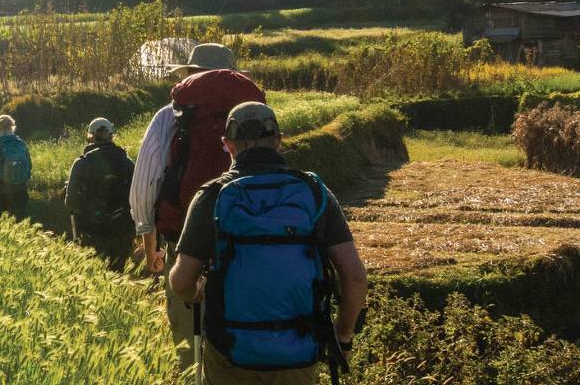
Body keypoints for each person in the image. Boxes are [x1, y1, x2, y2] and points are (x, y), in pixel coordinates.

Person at [168, 102, 367, 384]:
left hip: (229, 353)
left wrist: (196, 292)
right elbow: (356, 277)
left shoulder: (211, 197)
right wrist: (343, 335)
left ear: (228, 144)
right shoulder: (313, 193)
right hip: (297, 351)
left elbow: (180, 281)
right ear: (278, 141)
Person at [128, 42, 266, 366]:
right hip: (248, 241)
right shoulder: (254, 119)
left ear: (190, 76)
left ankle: (193, 371)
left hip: (184, 239)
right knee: (240, 328)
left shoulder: (169, 116)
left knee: (188, 336)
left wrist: (151, 250)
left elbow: (146, 184)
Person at [64, 117, 136, 270]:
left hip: (93, 233)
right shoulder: (127, 161)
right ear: (111, 135)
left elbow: (70, 201)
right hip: (122, 231)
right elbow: (138, 194)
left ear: (91, 136)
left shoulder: (82, 163)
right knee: (119, 274)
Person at [0, 114, 33, 220]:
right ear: (12, 127)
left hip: (1, 190)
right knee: (21, 223)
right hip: (21, 189)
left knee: (1, 225)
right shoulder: (21, 143)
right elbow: (29, 165)